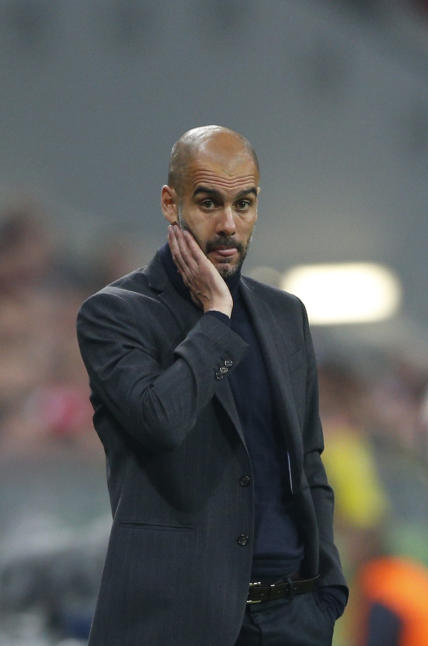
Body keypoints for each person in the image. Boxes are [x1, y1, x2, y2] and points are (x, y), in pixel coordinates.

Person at [76, 125, 347, 645]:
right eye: (209, 203)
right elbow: (162, 421)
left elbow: (309, 459)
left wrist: (325, 591)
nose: (228, 224)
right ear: (169, 203)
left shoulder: (284, 315)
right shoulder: (115, 313)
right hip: (172, 620)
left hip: (292, 618)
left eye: (243, 204)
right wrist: (216, 319)